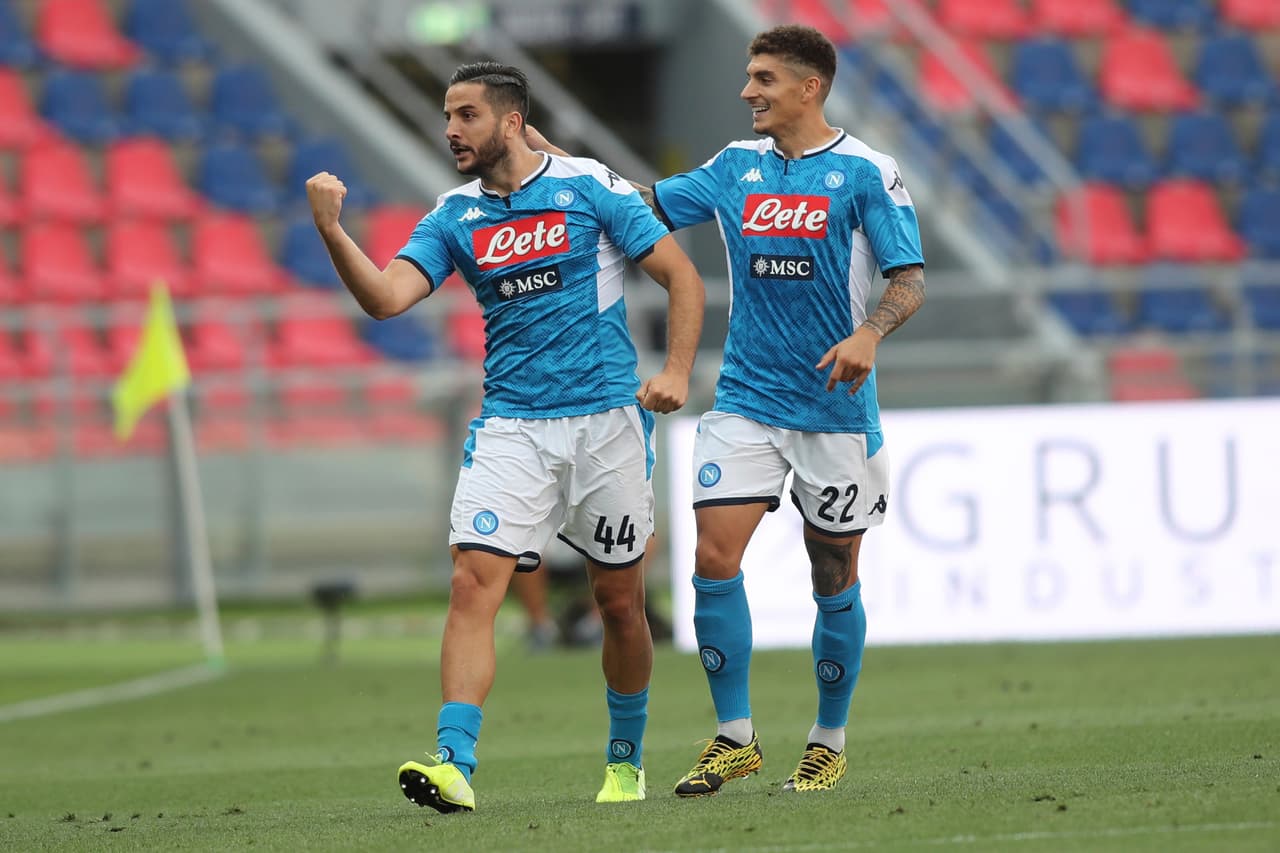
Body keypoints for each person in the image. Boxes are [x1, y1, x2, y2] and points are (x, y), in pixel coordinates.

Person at [531, 23, 926, 795]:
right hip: (744, 397)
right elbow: (641, 206)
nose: (748, 91)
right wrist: (560, 171)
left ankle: (828, 738)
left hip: (834, 407)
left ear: (809, 88)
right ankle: (734, 735)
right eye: (748, 76)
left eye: (764, 79)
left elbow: (908, 277)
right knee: (713, 558)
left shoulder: (866, 174)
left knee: (833, 571)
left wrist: (869, 333)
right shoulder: (733, 167)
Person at [306, 61, 705, 812]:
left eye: (465, 115)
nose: (450, 129)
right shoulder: (454, 215)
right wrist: (333, 231)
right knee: (470, 582)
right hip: (512, 427)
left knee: (619, 602)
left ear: (512, 121)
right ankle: (454, 762)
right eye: (447, 116)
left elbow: (683, 277)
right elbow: (389, 297)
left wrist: (677, 370)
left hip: (607, 424)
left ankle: (625, 759)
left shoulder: (590, 187)